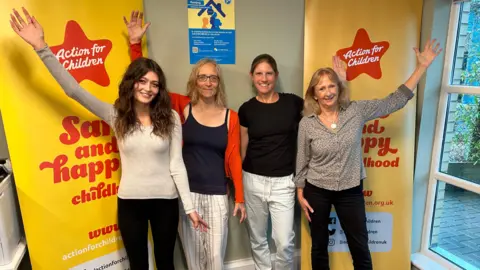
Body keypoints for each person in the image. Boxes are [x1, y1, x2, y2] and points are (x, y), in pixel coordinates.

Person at [9, 7, 207, 270]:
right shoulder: (116, 115)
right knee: (138, 266)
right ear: (132, 83)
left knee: (165, 264)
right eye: (143, 81)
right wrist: (42, 47)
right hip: (130, 204)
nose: (148, 88)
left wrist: (190, 207)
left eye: (155, 84)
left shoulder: (169, 118)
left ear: (159, 89)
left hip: (166, 203)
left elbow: (176, 165)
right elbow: (73, 90)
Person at [295, 41, 442, 269]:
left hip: (350, 190)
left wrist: (421, 68)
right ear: (313, 94)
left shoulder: (356, 111)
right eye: (321, 88)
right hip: (317, 191)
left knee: (360, 248)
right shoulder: (307, 124)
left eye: (332, 86)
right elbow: (302, 161)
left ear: (339, 88)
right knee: (319, 247)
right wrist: (300, 192)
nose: (328, 92)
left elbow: (393, 101)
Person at [124, 11, 247, 269]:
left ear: (218, 82)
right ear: (195, 80)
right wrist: (135, 45)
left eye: (213, 77)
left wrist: (240, 197)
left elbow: (235, 157)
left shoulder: (230, 117)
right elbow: (147, 86)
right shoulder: (180, 107)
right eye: (203, 77)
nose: (208, 82)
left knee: (214, 259)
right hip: (185, 194)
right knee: (192, 259)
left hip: (216, 195)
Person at [238, 54, 304, 270]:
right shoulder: (246, 109)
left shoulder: (293, 103)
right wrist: (239, 182)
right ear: (252, 76)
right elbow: (243, 146)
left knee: (284, 242)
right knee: (258, 238)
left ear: (276, 75)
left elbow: (319, 118)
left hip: (284, 182)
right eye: (259, 73)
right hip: (253, 180)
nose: (264, 78)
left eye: (268, 73)